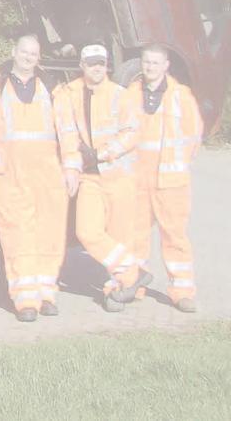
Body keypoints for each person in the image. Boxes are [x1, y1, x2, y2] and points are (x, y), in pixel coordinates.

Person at [0, 33, 68, 322]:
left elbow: (67, 131)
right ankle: (24, 299)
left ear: (38, 58)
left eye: (33, 54)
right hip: (10, 175)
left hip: (47, 174)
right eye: (23, 52)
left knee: (49, 234)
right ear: (13, 52)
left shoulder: (52, 87)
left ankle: (45, 294)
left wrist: (72, 168)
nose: (28, 57)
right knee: (16, 235)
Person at [54, 44, 140, 312]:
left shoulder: (121, 95)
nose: (97, 68)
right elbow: (67, 135)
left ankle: (117, 291)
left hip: (118, 175)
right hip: (89, 178)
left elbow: (132, 132)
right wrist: (71, 169)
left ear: (107, 65)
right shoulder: (69, 95)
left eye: (101, 63)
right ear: (81, 65)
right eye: (92, 63)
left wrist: (101, 154)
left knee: (119, 236)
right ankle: (135, 273)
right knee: (86, 231)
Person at [125, 43, 203, 312]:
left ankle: (182, 290)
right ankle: (134, 284)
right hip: (137, 178)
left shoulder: (181, 96)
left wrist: (177, 164)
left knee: (175, 236)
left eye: (156, 63)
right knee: (134, 234)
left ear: (166, 65)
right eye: (147, 62)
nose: (150, 67)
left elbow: (194, 136)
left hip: (171, 181)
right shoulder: (129, 95)